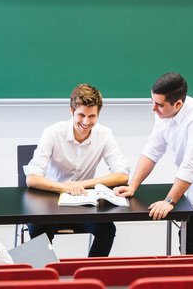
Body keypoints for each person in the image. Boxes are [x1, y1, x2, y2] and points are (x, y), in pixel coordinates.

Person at [115, 72, 193, 255]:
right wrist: (133, 186)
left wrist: (169, 201)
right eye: (153, 102)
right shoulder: (163, 113)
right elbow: (152, 150)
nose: (153, 108)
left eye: (159, 105)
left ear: (178, 104)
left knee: (190, 238)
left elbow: (191, 165)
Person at [24, 83, 129, 257]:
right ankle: (46, 278)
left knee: (107, 230)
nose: (86, 122)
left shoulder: (105, 134)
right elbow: (32, 179)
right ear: (71, 111)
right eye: (81, 115)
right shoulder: (52, 132)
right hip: (51, 203)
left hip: (84, 203)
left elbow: (122, 175)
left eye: (92, 116)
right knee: (38, 230)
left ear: (98, 114)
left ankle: (89, 276)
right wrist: (66, 187)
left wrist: (80, 185)